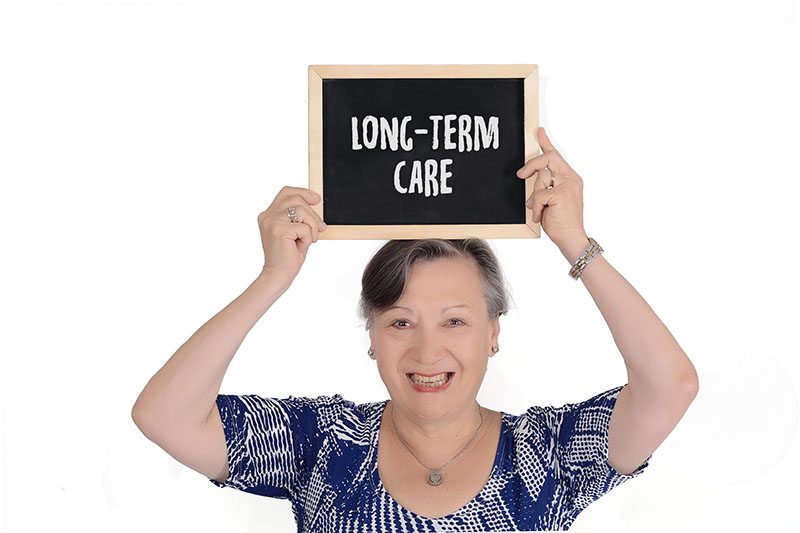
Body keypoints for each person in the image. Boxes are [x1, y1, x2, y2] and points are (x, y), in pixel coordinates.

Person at [132, 127, 699, 531]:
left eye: (455, 320)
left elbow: (669, 386)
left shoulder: (547, 456)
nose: (429, 350)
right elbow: (165, 416)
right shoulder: (324, 442)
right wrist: (272, 277)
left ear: (492, 333)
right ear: (372, 337)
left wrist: (575, 241)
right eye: (401, 322)